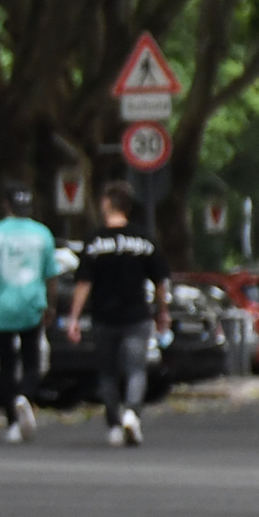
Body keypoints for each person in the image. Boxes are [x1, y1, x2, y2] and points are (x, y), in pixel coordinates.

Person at [63, 181, 170, 448]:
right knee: (136, 370)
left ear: (109, 204)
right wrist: (162, 312)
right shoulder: (145, 240)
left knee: (107, 373)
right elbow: (161, 282)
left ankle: (113, 424)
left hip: (104, 317)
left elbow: (83, 283)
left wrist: (74, 317)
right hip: (137, 316)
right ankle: (132, 412)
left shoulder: (94, 241)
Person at [0, 186, 61, 442]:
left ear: (6, 205)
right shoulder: (42, 234)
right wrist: (51, 304)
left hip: (3, 305)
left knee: (6, 364)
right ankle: (26, 395)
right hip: (32, 303)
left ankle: (12, 421)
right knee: (32, 359)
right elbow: (51, 275)